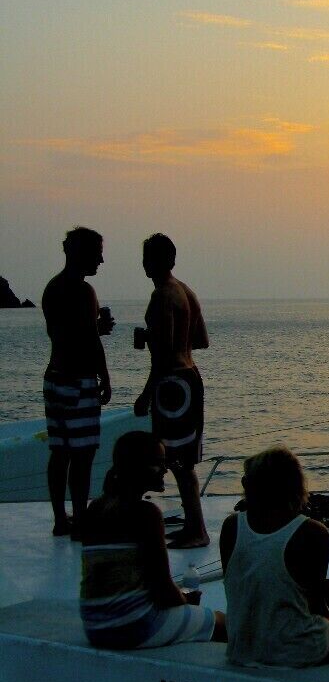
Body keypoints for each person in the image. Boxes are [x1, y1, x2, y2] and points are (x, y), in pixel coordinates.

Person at [78, 431, 225, 649]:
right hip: (132, 627)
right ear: (137, 466)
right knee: (224, 623)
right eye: (159, 463)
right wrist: (186, 602)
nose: (165, 469)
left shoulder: (95, 509)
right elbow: (163, 589)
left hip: (95, 627)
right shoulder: (146, 514)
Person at [220, 447, 329, 667]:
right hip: (291, 649)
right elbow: (316, 607)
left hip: (241, 647)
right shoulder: (312, 532)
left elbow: (238, 587)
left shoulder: (231, 526)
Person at [134, 232, 210, 549]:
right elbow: (201, 340)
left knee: (177, 461)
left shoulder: (162, 296)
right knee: (182, 460)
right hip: (190, 376)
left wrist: (146, 394)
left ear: (150, 262)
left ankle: (197, 529)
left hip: (173, 384)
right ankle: (193, 524)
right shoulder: (186, 292)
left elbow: (163, 355)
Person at [42, 226, 114, 538]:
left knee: (60, 453)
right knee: (83, 456)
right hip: (78, 382)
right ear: (81, 253)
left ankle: (61, 519)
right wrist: (106, 378)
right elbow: (87, 343)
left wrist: (93, 327)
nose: (101, 259)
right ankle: (81, 521)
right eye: (97, 252)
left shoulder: (52, 288)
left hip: (55, 378)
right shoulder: (84, 292)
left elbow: (62, 336)